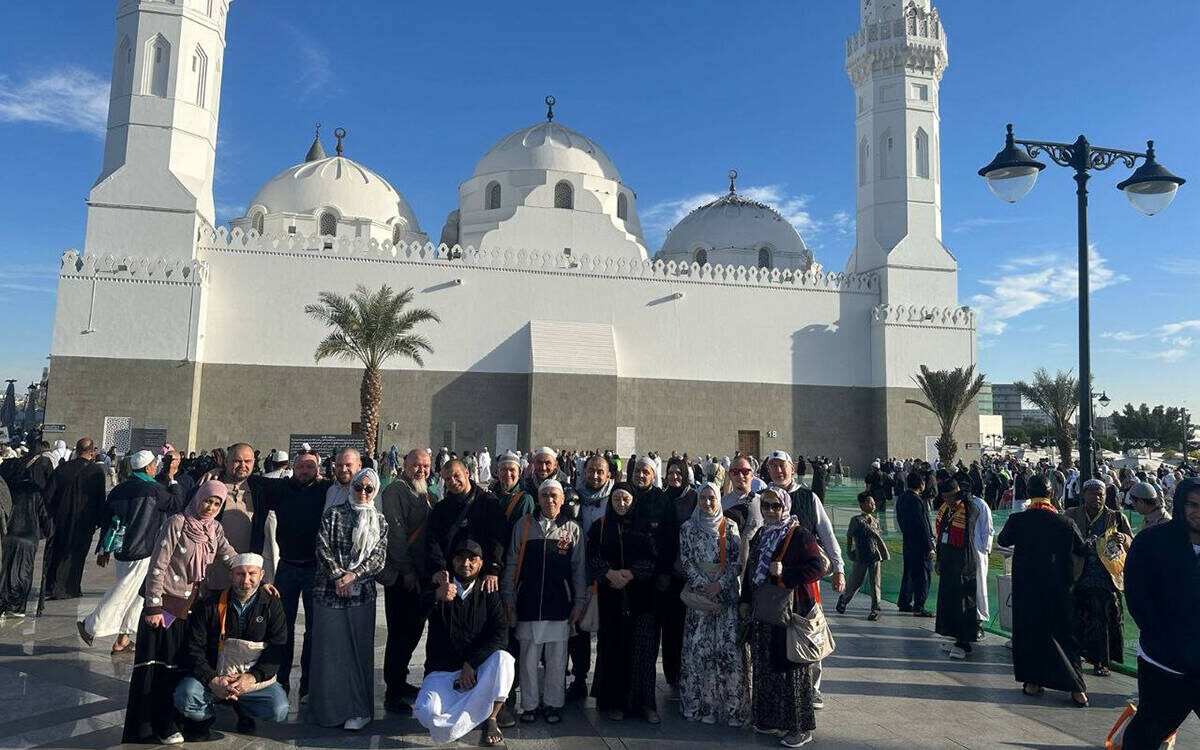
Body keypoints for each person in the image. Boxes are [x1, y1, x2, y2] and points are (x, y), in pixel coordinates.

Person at [123, 480, 239, 744]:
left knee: (180, 666)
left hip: (191, 609)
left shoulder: (214, 529)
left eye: (216, 503)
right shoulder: (177, 523)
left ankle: (176, 722)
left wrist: (255, 577)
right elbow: (158, 565)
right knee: (160, 668)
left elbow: (230, 556)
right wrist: (153, 606)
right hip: (166, 607)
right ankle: (156, 726)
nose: (210, 507)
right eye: (207, 501)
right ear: (198, 498)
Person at [740, 487, 828, 747]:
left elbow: (818, 567)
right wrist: (745, 600)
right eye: (766, 506)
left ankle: (799, 727)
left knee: (790, 668)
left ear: (785, 507)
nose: (770, 511)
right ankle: (770, 719)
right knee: (766, 666)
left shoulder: (799, 535)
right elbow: (751, 570)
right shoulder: (762, 534)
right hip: (764, 611)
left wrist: (786, 572)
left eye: (776, 506)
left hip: (790, 612)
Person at [173, 553, 290, 740]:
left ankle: (244, 710)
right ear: (231, 575)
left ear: (261, 575)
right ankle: (204, 719)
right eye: (240, 574)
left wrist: (251, 678)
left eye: (252, 574)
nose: (246, 580)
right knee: (186, 695)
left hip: (249, 679)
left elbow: (277, 649)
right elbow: (193, 648)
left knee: (278, 708)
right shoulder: (210, 603)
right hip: (214, 675)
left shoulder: (271, 604)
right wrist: (213, 679)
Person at [996, 475, 1089, 706]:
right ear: (1052, 494)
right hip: (1059, 589)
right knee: (1064, 636)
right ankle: (1077, 689)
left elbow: (1003, 540)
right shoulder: (1065, 522)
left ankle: (1033, 682)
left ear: (1028, 494)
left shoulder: (1018, 520)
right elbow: (1082, 548)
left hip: (1027, 589)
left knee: (1029, 635)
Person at [1121, 476, 1200, 748]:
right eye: (1193, 505)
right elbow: (1138, 597)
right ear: (1181, 504)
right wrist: (1163, 638)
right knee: (1146, 734)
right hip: (1163, 662)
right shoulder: (1152, 542)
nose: (1199, 512)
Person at [79, 450, 184, 653]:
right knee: (124, 590)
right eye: (154, 465)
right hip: (143, 549)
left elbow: (108, 520)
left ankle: (124, 638)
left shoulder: (120, 489)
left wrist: (104, 549)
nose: (156, 468)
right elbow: (176, 503)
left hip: (122, 549)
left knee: (139, 595)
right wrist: (172, 478)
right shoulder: (153, 490)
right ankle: (90, 625)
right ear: (148, 467)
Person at [502, 478, 586, 724]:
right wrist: (509, 597)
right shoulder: (524, 525)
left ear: (562, 499)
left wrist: (579, 602)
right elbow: (511, 563)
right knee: (528, 658)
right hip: (528, 602)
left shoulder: (572, 529)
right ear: (538, 499)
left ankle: (553, 703)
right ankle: (529, 705)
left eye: (554, 496)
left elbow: (578, 569)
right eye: (545, 495)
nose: (549, 500)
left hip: (559, 604)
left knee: (557, 659)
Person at [763, 450, 844, 708]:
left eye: (782, 466)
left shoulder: (808, 498)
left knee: (810, 629)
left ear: (792, 468)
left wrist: (839, 568)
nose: (778, 471)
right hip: (774, 582)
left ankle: (813, 688)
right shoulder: (764, 497)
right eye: (773, 466)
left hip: (805, 580)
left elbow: (827, 533)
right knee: (777, 632)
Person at [414, 540, 515, 747]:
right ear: (452, 561)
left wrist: (472, 663)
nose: (466, 563)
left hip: (476, 671)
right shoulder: (440, 586)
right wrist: (435, 596)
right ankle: (472, 714)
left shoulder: (488, 591)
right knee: (426, 712)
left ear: (481, 563)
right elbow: (411, 618)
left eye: (472, 559)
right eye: (460, 558)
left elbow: (500, 634)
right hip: (443, 671)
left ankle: (491, 718)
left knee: (504, 659)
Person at [248, 450, 331, 700]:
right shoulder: (281, 488)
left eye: (310, 467)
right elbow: (251, 478)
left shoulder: (326, 489)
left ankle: (308, 685)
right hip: (288, 567)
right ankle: (279, 681)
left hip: (315, 568)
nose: (305, 471)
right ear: (292, 468)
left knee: (314, 629)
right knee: (282, 626)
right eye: (301, 466)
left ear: (317, 470)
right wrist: (216, 470)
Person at [309, 467, 388, 730]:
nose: (363, 492)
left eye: (369, 489)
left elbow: (378, 558)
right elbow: (322, 547)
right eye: (358, 487)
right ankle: (329, 711)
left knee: (358, 652)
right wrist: (337, 576)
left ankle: (358, 709)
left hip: (361, 595)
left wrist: (354, 576)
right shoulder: (333, 514)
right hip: (328, 592)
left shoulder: (380, 521)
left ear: (375, 492)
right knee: (330, 652)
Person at [588, 482, 661, 722]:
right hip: (611, 598)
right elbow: (592, 556)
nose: (621, 504)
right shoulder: (600, 526)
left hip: (641, 599)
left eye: (625, 499)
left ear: (633, 501)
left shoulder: (645, 527)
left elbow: (653, 558)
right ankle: (615, 702)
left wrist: (630, 574)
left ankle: (645, 704)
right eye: (617, 499)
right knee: (613, 649)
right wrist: (610, 574)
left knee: (643, 653)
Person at [679, 483, 747, 726]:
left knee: (727, 652)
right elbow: (686, 560)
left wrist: (719, 584)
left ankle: (730, 709)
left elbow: (737, 562)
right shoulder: (688, 527)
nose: (707, 503)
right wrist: (703, 585)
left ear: (719, 500)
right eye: (703, 498)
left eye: (712, 498)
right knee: (699, 652)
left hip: (724, 598)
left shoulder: (730, 526)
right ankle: (700, 705)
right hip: (699, 598)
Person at [379, 448, 437, 713]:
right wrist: (407, 570)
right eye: (416, 465)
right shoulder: (395, 491)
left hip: (422, 576)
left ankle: (400, 682)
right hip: (403, 578)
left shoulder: (426, 493)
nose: (421, 470)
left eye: (425, 466)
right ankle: (393, 692)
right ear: (405, 465)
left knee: (413, 632)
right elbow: (396, 534)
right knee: (400, 635)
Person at [1064, 478, 1132, 677]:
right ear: (1083, 495)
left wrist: (1123, 539)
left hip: (1106, 576)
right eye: (1093, 493)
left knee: (1103, 620)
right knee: (1078, 617)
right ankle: (1078, 655)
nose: (1097, 497)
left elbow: (1131, 541)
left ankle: (1101, 661)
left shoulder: (1116, 517)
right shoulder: (1071, 514)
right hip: (1079, 574)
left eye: (1101, 493)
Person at [42, 437, 107, 599]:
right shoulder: (96, 472)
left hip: (61, 519)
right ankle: (71, 588)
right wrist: (98, 521)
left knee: (58, 552)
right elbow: (100, 499)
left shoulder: (63, 468)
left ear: (76, 451)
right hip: (85, 521)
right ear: (92, 452)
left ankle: (53, 586)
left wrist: (51, 514)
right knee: (77, 555)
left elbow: (48, 495)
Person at [934, 478, 981, 660]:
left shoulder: (970, 509)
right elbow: (941, 536)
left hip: (964, 562)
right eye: (945, 497)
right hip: (948, 561)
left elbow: (971, 520)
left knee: (963, 602)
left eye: (951, 496)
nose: (948, 500)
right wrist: (939, 560)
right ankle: (954, 636)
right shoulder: (946, 510)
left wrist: (966, 499)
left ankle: (964, 641)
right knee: (949, 601)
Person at [0, 455, 53, 617]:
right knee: (24, 571)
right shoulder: (35, 490)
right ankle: (16, 606)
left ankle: (3, 603)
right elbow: (45, 515)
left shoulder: (7, 488)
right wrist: (49, 531)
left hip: (8, 535)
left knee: (6, 571)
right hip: (29, 537)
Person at [661, 456, 697, 691]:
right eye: (671, 472)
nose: (675, 477)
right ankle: (672, 674)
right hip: (667, 573)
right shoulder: (662, 497)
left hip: (688, 572)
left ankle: (689, 671)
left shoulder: (693, 498)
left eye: (679, 473)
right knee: (670, 627)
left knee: (688, 625)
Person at [836, 491, 889, 620]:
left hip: (875, 556)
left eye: (874, 503)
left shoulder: (875, 521)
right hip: (861, 555)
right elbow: (849, 536)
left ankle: (875, 609)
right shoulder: (856, 520)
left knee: (875, 583)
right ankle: (844, 599)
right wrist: (849, 550)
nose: (873, 505)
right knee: (855, 582)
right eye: (870, 503)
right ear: (862, 505)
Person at [895, 471, 935, 617]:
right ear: (920, 484)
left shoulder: (902, 498)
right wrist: (929, 546)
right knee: (923, 575)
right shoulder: (916, 500)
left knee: (909, 573)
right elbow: (922, 524)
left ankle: (904, 601)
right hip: (920, 544)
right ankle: (919, 606)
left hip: (908, 541)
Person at [722, 456, 763, 565]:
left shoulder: (764, 503)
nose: (740, 475)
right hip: (728, 566)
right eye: (735, 472)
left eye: (745, 471)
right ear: (730, 475)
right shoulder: (721, 504)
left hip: (756, 566)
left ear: (752, 475)